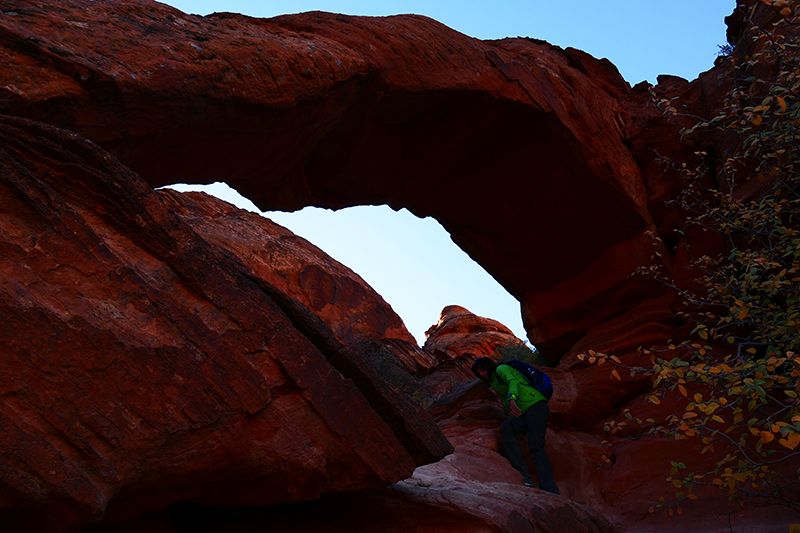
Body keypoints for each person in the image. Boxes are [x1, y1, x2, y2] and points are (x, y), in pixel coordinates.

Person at [471, 356, 559, 494]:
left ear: (488, 366)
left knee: (536, 446)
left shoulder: (501, 369)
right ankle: (523, 476)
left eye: (483, 370)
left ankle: (549, 489)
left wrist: (511, 398)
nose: (482, 374)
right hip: (524, 413)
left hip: (536, 406)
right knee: (507, 428)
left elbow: (513, 381)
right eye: (479, 373)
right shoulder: (494, 382)